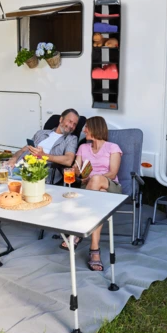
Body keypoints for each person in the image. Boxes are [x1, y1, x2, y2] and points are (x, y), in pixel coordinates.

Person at [60, 116, 122, 272]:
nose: (83, 130)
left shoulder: (113, 147)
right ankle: (94, 249)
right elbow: (77, 169)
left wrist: (93, 178)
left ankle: (78, 229)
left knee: (97, 181)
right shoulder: (83, 148)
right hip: (92, 189)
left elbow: (113, 173)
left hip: (110, 186)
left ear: (95, 128)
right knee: (98, 200)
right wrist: (75, 171)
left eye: (86, 127)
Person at [7, 108, 80, 184]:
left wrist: (43, 155)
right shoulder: (41, 133)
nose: (71, 126)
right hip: (19, 166)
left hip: (38, 173)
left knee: (10, 183)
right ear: (61, 119)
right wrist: (13, 159)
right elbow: (23, 150)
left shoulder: (71, 139)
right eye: (70, 121)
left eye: (74, 124)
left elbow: (68, 160)